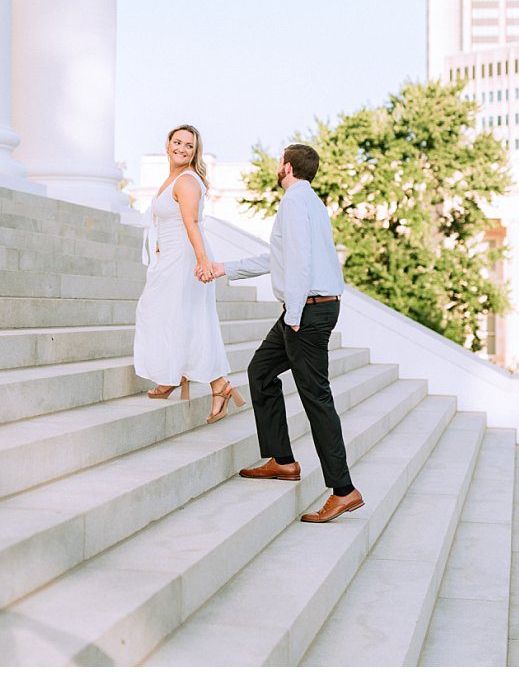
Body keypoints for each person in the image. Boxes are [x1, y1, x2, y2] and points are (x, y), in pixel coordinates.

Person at [206, 143, 364, 524]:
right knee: (261, 371)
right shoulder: (310, 202)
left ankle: (343, 491)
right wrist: (223, 267)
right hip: (308, 307)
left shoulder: (295, 202)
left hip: (306, 311)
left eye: (280, 161)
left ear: (288, 167)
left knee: (316, 398)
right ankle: (282, 460)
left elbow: (300, 262)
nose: (277, 166)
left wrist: (293, 314)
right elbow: (278, 258)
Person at [132, 124, 241, 424]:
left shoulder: (187, 181)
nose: (181, 148)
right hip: (170, 257)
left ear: (195, 151)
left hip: (185, 259)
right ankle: (179, 377)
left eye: (188, 145)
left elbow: (191, 223)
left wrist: (203, 261)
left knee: (178, 317)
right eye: (177, 142)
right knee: (173, 316)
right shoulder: (173, 177)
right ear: (167, 145)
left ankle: (213, 385)